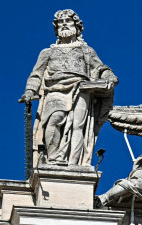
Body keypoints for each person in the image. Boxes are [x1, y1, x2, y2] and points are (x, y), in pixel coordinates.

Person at [20, 10, 117, 167]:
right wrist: (30, 91)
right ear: (56, 28)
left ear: (77, 26)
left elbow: (100, 68)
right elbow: (36, 74)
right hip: (55, 89)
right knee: (53, 121)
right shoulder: (48, 52)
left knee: (78, 126)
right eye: (60, 22)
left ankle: (74, 164)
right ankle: (53, 160)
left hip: (81, 89)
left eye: (68, 21)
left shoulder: (86, 50)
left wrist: (108, 76)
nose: (64, 24)